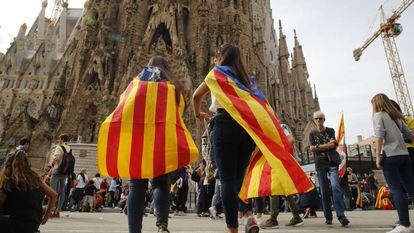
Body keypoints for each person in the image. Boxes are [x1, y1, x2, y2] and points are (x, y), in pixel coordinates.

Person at [192, 43, 258, 233]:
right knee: (240, 178)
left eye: (217, 55)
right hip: (246, 129)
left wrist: (198, 114)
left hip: (224, 125)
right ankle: (248, 215)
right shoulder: (247, 80)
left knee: (227, 180)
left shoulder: (217, 74)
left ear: (221, 57)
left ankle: (233, 229)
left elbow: (196, 96)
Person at [127, 56, 185, 233]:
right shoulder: (173, 86)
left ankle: (134, 230)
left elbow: (125, 106)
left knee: (136, 186)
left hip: (140, 138)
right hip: (163, 139)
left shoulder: (138, 81)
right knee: (161, 183)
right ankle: (162, 225)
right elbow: (180, 111)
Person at [372, 93, 414, 233]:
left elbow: (379, 136)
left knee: (396, 190)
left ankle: (404, 224)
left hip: (390, 156)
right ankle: (404, 222)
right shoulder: (396, 116)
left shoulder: (378, 115)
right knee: (411, 189)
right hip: (405, 155)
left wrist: (377, 156)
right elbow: (409, 134)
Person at [0, 150, 58, 233]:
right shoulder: (34, 177)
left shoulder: (9, 180)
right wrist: (46, 216)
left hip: (15, 224)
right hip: (33, 224)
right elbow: (54, 195)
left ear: (7, 165)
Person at [309, 110, 350, 227]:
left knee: (336, 187)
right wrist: (326, 146)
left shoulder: (330, 130)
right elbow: (311, 149)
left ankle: (341, 216)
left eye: (320, 118)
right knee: (324, 191)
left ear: (324, 119)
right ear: (314, 120)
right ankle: (328, 216)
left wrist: (318, 147)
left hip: (332, 163)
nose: (318, 120)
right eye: (316, 119)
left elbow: (333, 145)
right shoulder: (312, 133)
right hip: (320, 165)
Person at [260, 124, 304, 228]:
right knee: (284, 190)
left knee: (274, 188)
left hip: (279, 162)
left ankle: (273, 219)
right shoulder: (269, 129)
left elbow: (291, 140)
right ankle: (296, 217)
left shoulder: (280, 127)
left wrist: (278, 151)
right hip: (275, 161)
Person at [49, 134, 72, 218]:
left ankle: (50, 211)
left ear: (62, 139)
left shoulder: (59, 147)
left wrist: (51, 165)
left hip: (57, 171)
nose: (58, 141)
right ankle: (57, 211)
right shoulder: (69, 148)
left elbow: (57, 158)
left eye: (59, 139)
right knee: (62, 192)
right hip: (65, 173)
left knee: (52, 191)